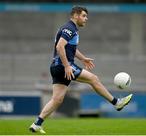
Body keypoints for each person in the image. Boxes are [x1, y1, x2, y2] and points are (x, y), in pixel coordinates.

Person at [29, 6, 133, 134]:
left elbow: (70, 48)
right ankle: (116, 102)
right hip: (63, 65)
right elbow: (60, 46)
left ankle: (37, 124)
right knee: (93, 79)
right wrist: (67, 66)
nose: (86, 19)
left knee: (57, 99)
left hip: (56, 66)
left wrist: (83, 59)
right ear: (76, 15)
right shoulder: (69, 28)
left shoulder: (70, 28)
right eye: (84, 16)